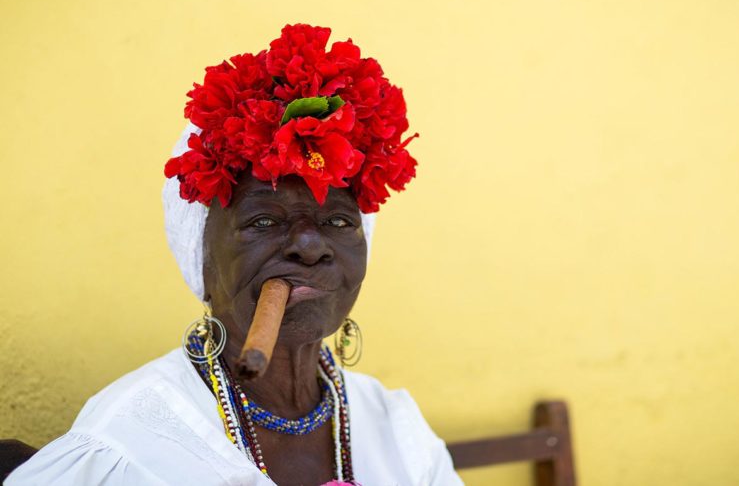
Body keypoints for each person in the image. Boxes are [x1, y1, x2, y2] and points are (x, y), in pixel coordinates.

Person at [6, 24, 463, 485]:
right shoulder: (130, 445)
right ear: (201, 260)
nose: (309, 246)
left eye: (338, 221)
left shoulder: (394, 428)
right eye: (263, 221)